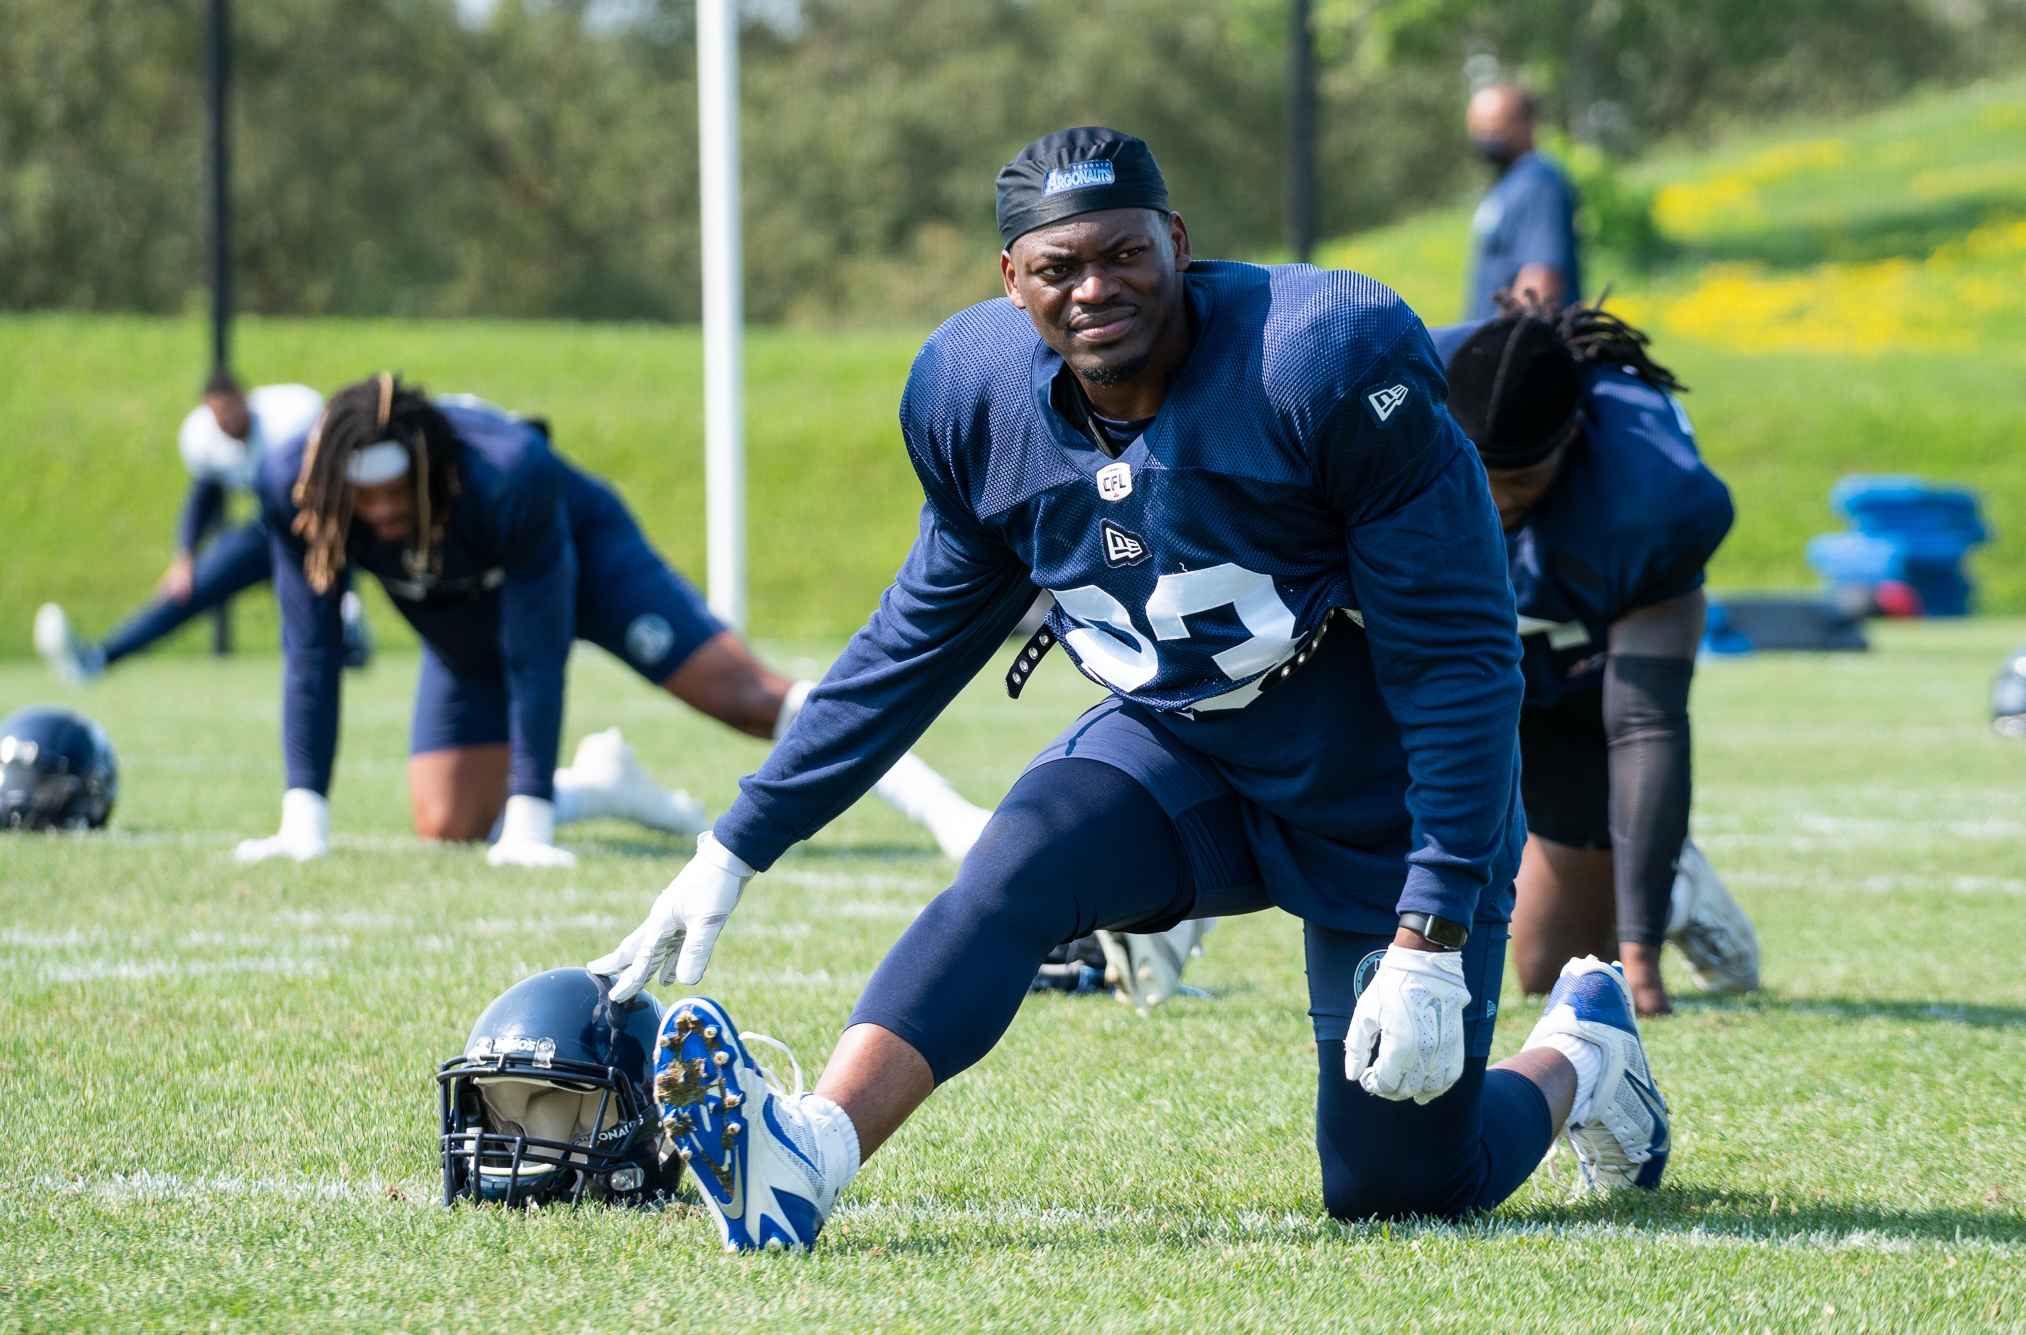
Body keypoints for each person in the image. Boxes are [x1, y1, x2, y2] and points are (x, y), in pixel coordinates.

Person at [589, 128, 1672, 1251]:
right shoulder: (974, 399)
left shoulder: (1320, 361)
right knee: (1014, 865)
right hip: (1180, 747)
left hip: (1378, 788)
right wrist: (738, 842)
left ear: (1177, 243)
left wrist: (1432, 927)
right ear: (1011, 282)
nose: (1093, 288)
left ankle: (1580, 1057)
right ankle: (808, 1154)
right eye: (1057, 267)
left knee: (1395, 1189)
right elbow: (913, 643)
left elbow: (1455, 656)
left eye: (1122, 254)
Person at [234, 379, 990, 867]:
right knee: (450, 821)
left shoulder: (506, 471)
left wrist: (531, 823)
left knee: (748, 697)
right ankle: (600, 786)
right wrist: (305, 819)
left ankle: (944, 810)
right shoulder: (296, 490)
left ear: (435, 466)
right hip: (459, 610)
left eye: (400, 493)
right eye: (366, 502)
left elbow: (535, 655)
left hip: (583, 562)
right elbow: (312, 651)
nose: (385, 513)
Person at [1431, 304, 1760, 1015]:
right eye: (1479, 473)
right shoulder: (1388, 398)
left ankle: (1668, 894)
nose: (1494, 499)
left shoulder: (1655, 495)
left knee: (1550, 972)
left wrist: (1637, 954)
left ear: (1572, 436)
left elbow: (1648, 723)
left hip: (1576, 677)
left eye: (1518, 479)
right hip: (1461, 663)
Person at [34, 370, 373, 683]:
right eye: (218, 416)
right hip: (269, 531)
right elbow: (204, 496)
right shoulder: (204, 439)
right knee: (186, 589)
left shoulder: (291, 413)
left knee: (334, 581)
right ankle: (98, 659)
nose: (226, 422)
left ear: (244, 398)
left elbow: (339, 485)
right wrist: (184, 557)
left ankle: (350, 625)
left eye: (230, 411)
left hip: (325, 527)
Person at [1464, 85, 1580, 322]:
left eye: (1496, 123)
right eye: (1477, 127)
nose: (1485, 135)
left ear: (1527, 123)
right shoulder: (1509, 183)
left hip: (1522, 349)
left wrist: (1503, 349)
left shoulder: (1538, 181)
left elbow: (1539, 281)